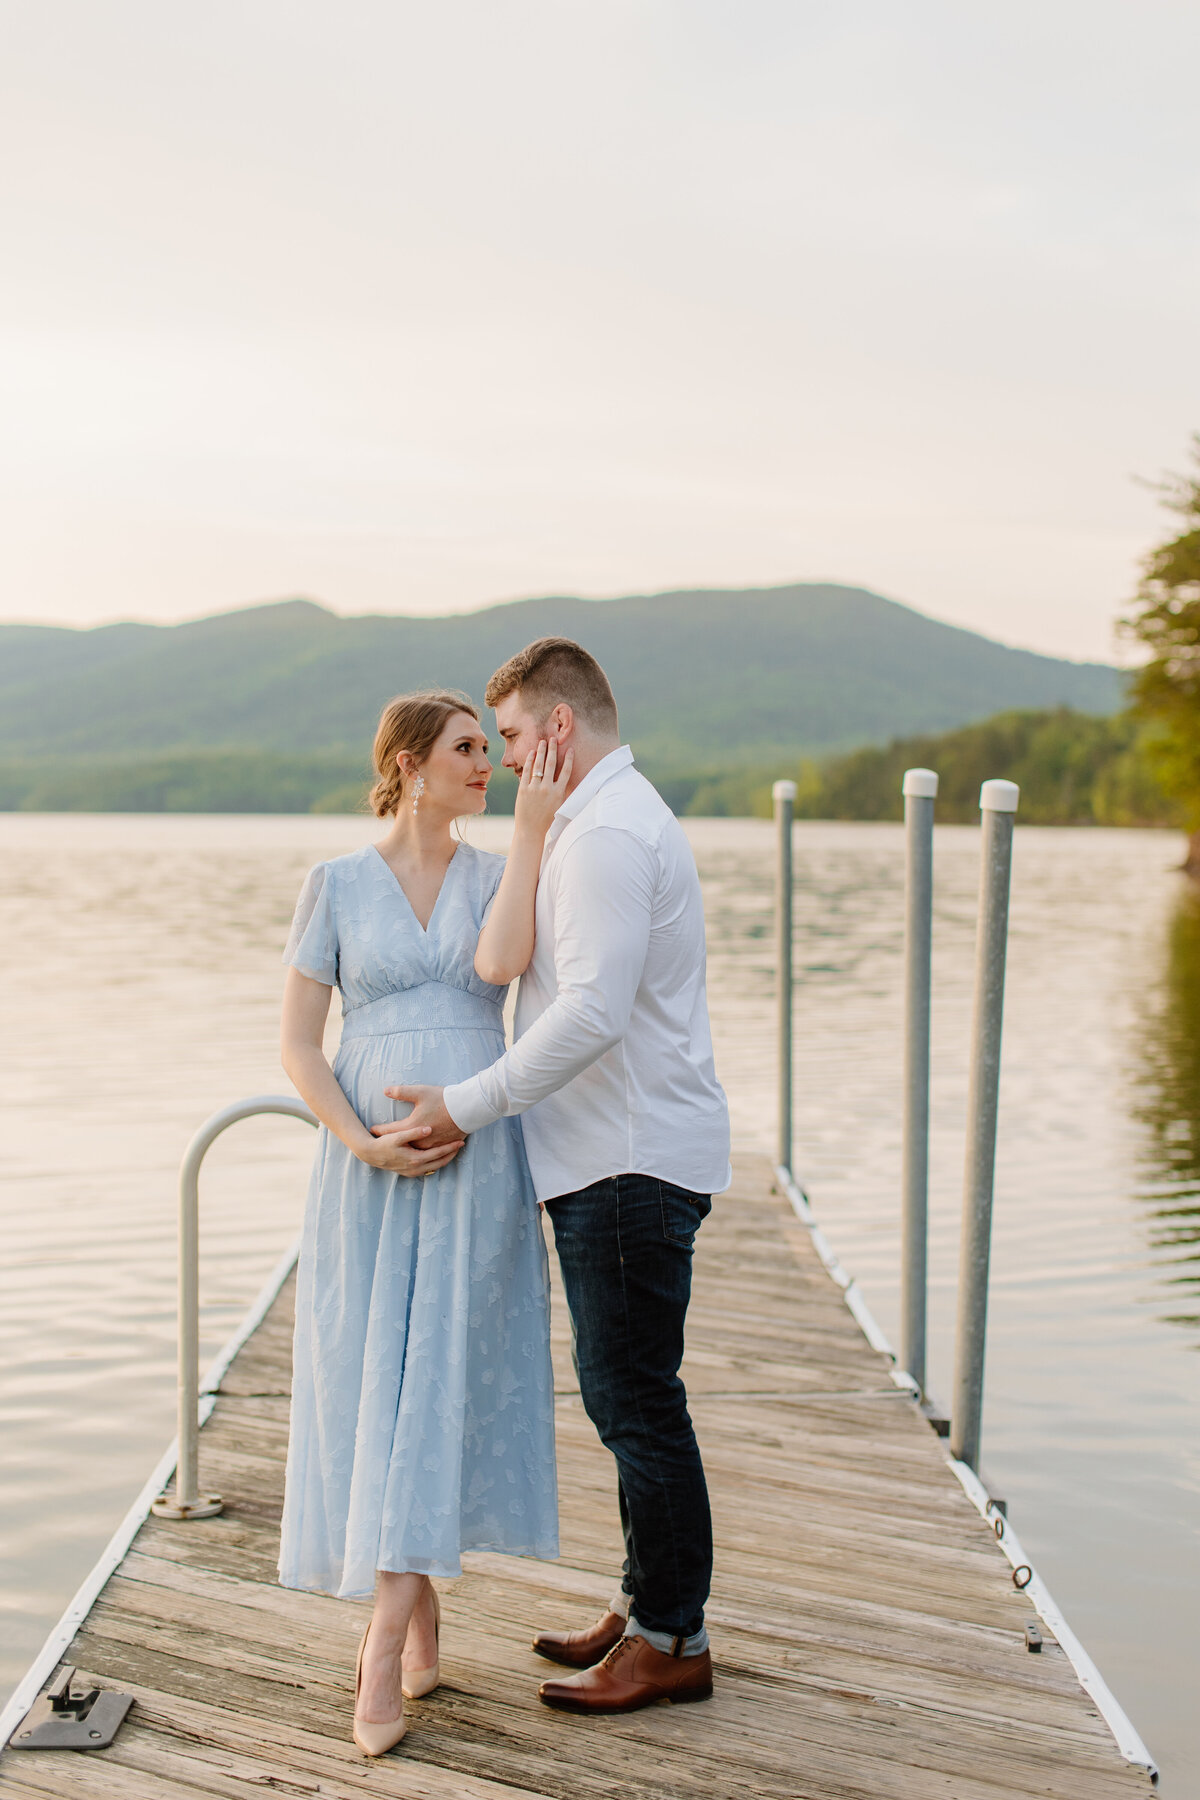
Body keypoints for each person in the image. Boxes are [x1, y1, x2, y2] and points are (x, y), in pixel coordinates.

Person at [375, 639, 732, 1715]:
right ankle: (648, 1603)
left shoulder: (611, 835)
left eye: (518, 737)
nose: (508, 759)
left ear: (558, 731)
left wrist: (465, 1102)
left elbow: (589, 1013)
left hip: (628, 1162)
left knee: (636, 1405)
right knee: (627, 1398)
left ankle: (674, 1638)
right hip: (609, 1157)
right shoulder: (588, 825)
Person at [278, 688, 570, 1756]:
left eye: (487, 751)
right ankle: (420, 1607)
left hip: (475, 1161)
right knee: (375, 1384)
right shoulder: (336, 886)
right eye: (464, 749)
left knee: (440, 1376)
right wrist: (360, 1139)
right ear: (406, 763)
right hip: (366, 1172)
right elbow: (302, 1046)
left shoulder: (500, 876)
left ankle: (383, 1636)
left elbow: (497, 975)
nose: (486, 764)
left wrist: (533, 835)